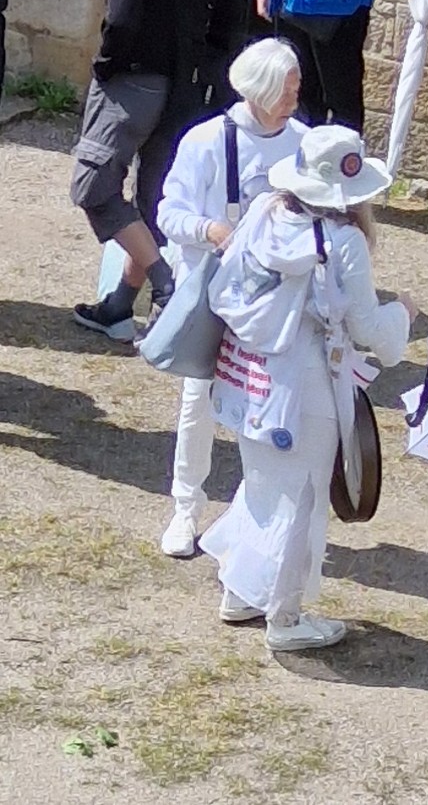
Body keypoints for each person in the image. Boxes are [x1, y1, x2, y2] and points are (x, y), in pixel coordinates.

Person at [198, 125, 414, 650]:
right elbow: (367, 326)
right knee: (303, 499)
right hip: (308, 386)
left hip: (248, 375)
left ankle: (242, 591)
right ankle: (286, 617)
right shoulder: (344, 242)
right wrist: (402, 315)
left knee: (261, 485)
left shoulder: (263, 214)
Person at [156, 38, 308, 558]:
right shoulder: (204, 141)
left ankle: (256, 520)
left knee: (268, 408)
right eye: (286, 90)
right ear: (259, 90)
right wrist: (211, 230)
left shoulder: (304, 143)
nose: (295, 98)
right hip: (217, 294)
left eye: (296, 88)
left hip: (277, 303)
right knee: (198, 402)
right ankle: (185, 508)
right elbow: (169, 213)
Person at [70, 0, 241, 341]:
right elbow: (231, 14)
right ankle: (120, 306)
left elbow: (124, 6)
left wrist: (107, 62)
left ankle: (165, 286)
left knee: (93, 188)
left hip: (135, 73)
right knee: (155, 200)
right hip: (187, 81)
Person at [255, 0, 381, 132]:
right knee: (297, 97)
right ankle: (301, 147)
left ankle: (343, 148)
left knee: (342, 102)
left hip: (338, 7)